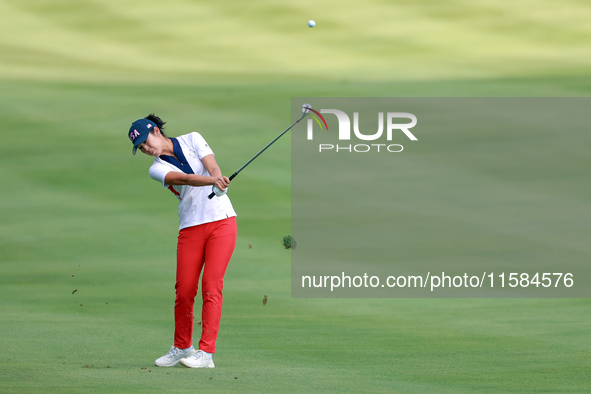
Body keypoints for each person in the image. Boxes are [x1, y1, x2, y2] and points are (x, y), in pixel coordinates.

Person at [128, 114, 237, 368]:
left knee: (211, 285)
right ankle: (182, 347)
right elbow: (185, 179)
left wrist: (218, 178)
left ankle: (206, 353)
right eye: (140, 147)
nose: (146, 148)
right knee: (185, 290)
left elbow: (213, 165)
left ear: (156, 131)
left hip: (221, 221)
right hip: (190, 226)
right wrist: (213, 181)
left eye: (146, 141)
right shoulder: (156, 168)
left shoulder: (193, 139)